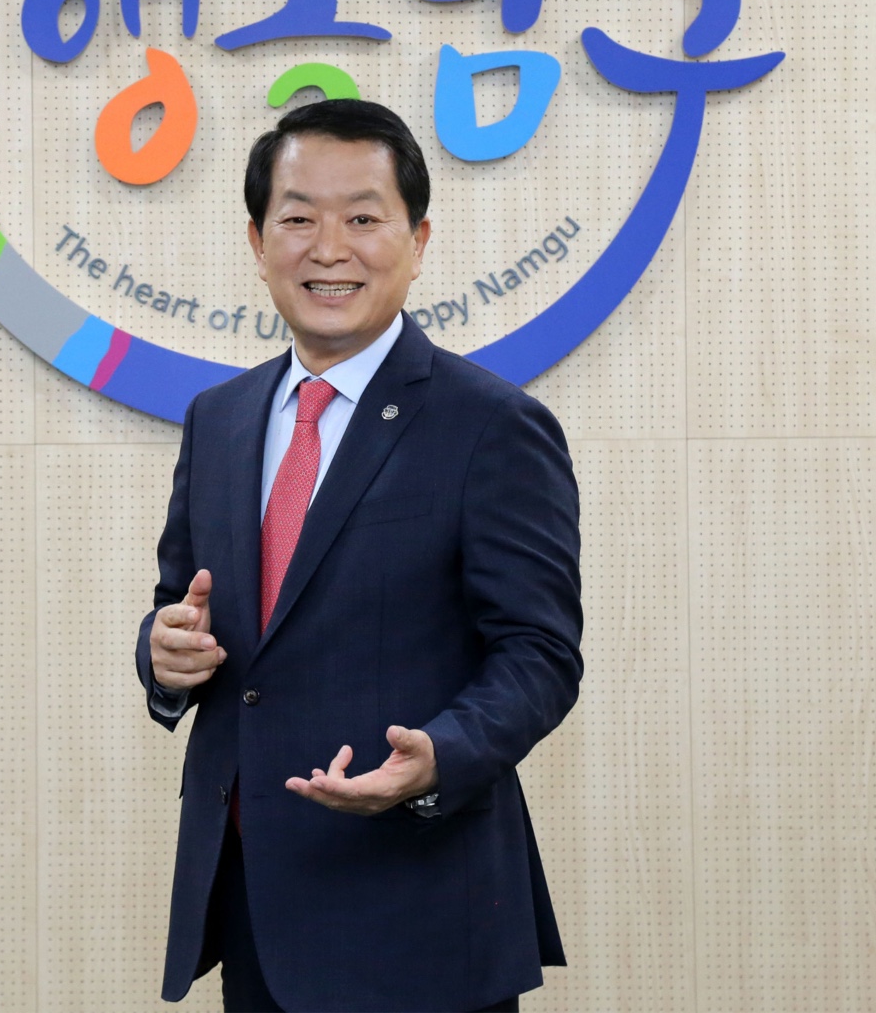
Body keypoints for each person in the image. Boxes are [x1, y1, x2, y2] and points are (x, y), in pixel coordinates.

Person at [136, 99, 583, 1013]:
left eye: (364, 218)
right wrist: (163, 653)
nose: (329, 248)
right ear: (258, 241)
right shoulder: (219, 420)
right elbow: (182, 603)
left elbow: (539, 654)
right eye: (298, 218)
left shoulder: (491, 425)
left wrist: (442, 756)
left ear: (417, 242)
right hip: (252, 898)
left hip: (417, 907)